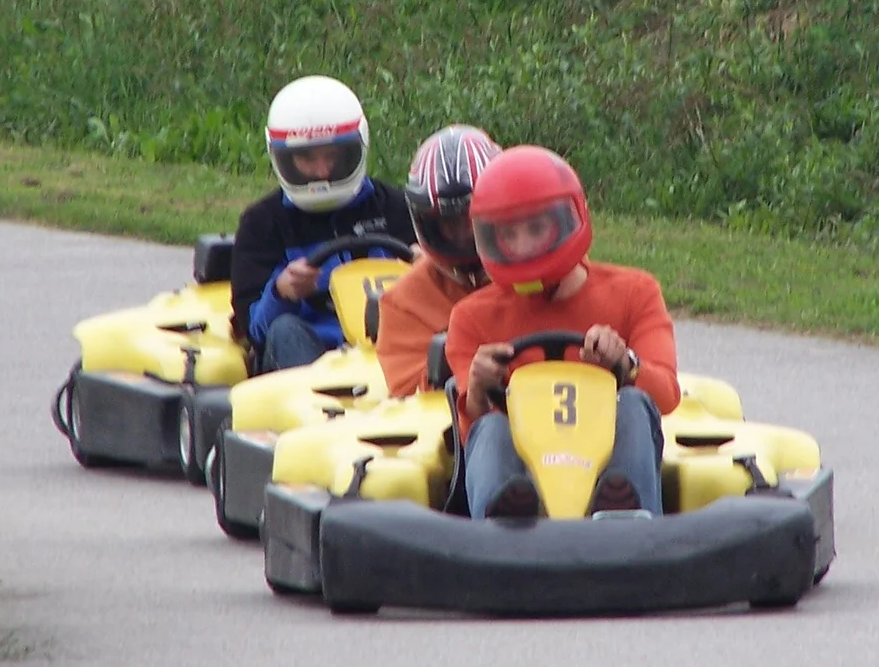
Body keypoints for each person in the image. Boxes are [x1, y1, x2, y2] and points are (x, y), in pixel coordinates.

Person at [444, 146, 680, 519]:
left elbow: (666, 396)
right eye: (509, 234)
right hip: (523, 473)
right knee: (489, 427)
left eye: (536, 229)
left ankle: (625, 513)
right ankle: (502, 523)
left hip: (605, 465)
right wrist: (477, 386)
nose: (522, 247)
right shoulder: (471, 318)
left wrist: (625, 364)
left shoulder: (635, 292)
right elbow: (467, 430)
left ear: (567, 219)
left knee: (634, 405)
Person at [230, 76, 416, 373]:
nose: (322, 171)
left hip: (392, 351)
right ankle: (321, 412)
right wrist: (282, 293)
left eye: (332, 156)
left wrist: (429, 267)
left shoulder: (397, 209)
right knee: (285, 329)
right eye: (306, 158)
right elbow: (255, 329)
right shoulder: (262, 224)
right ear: (283, 158)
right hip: (311, 362)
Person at [375, 125, 503, 398]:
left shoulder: (548, 273)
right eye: (449, 224)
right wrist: (455, 361)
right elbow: (408, 392)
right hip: (455, 431)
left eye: (471, 218)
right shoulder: (404, 301)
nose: (462, 233)